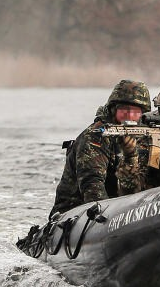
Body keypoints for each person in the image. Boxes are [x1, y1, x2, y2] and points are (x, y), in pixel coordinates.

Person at [49, 79, 151, 219]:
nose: (130, 117)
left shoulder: (144, 136)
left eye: (135, 112)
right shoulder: (95, 136)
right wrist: (111, 218)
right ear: (113, 109)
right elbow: (92, 185)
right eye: (124, 110)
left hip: (121, 208)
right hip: (76, 212)